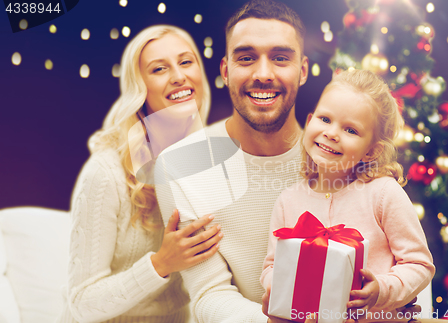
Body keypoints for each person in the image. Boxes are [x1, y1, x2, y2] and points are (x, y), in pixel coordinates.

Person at [155, 1, 422, 322]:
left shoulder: (346, 159)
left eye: (280, 58)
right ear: (226, 70)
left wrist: (390, 302)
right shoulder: (181, 165)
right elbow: (209, 293)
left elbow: (407, 259)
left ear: (303, 70)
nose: (263, 73)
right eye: (246, 58)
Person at [57, 25, 223, 323]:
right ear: (140, 88)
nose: (178, 76)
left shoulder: (209, 163)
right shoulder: (106, 172)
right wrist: (161, 263)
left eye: (186, 62)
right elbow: (81, 303)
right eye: (159, 68)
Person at [260, 69, 436, 322]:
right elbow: (271, 267)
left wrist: (382, 290)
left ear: (371, 151)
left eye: (351, 130)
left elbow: (419, 265)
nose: (331, 133)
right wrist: (275, 288)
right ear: (309, 121)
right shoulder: (288, 201)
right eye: (324, 119)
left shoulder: (383, 194)